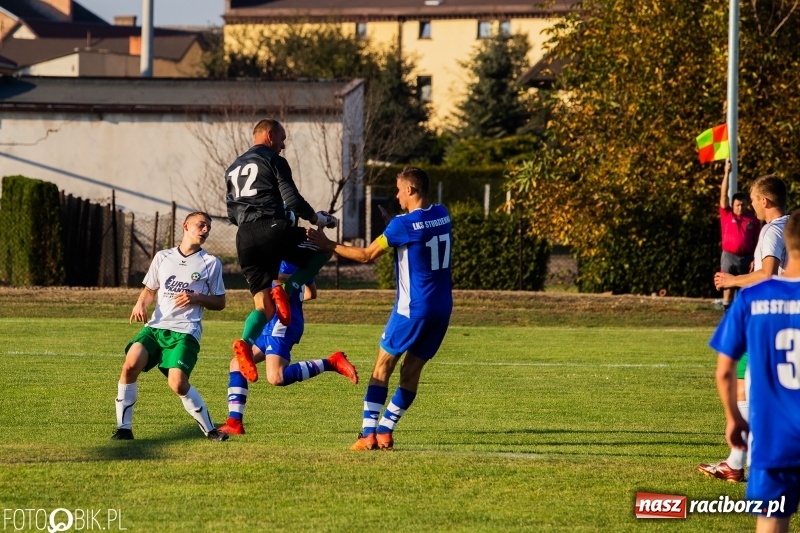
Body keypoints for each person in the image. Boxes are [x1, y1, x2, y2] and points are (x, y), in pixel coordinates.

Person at [308, 166, 452, 451]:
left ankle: (367, 435)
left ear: (410, 190)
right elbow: (418, 236)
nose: (397, 195)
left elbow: (366, 255)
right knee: (412, 371)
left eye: (399, 189)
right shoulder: (442, 214)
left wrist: (328, 244)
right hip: (442, 309)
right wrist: (395, 226)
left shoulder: (402, 225)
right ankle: (385, 431)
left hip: (411, 309)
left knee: (382, 367)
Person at [225, 118, 338, 385]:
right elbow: (294, 201)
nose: (283, 145)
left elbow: (232, 214)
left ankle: (245, 341)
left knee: (262, 307)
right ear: (270, 134)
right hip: (273, 227)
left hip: (244, 237)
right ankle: (288, 290)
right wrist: (317, 220)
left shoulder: (232, 168)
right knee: (324, 250)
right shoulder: (273, 160)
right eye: (282, 139)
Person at [709, 208, 800, 533]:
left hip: (775, 441)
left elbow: (724, 372)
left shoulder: (753, 298)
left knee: (772, 523)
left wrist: (735, 420)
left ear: (785, 244)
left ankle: (733, 464)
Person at [699, 174, 789, 481]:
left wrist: (732, 280)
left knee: (743, 382)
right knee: (748, 383)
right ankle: (738, 461)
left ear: (765, 201)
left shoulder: (771, 230)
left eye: (753, 201)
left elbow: (768, 274)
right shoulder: (792, 227)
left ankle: (738, 462)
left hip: (770, 316)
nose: (751, 206)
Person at [112, 211, 228, 441]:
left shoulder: (211, 263)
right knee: (130, 365)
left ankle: (210, 430)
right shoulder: (162, 257)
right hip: (156, 328)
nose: (205, 230)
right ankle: (124, 429)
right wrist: (140, 304)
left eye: (208, 228)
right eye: (201, 225)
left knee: (177, 383)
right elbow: (149, 289)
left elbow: (220, 302)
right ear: (186, 226)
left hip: (185, 331)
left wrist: (197, 297)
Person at [217, 261, 358, 435]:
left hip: (281, 324)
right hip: (270, 323)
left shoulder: (284, 258)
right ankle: (234, 422)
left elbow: (281, 278)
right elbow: (311, 293)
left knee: (276, 377)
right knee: (237, 364)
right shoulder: (296, 256)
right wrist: (295, 299)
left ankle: (331, 363)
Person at [718, 159, 760, 312]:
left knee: (746, 287)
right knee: (727, 287)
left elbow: (758, 241)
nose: (740, 207)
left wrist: (755, 259)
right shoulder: (727, 214)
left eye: (743, 204)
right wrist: (726, 173)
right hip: (729, 257)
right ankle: (727, 316)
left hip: (747, 258)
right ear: (733, 205)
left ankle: (743, 317)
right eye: (737, 204)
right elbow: (723, 197)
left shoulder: (752, 219)